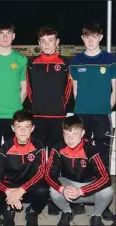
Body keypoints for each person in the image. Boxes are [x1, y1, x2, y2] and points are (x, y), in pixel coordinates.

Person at [69, 21, 115, 218]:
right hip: (81, 116)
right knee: (79, 157)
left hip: (102, 116)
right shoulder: (76, 61)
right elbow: (75, 91)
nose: (90, 40)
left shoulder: (110, 59)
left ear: (101, 38)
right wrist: (81, 111)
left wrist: (106, 108)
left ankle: (103, 204)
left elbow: (115, 89)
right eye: (87, 37)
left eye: (94, 36)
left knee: (102, 158)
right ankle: (78, 198)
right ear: (82, 39)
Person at [26, 25, 72, 216]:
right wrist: (35, 107)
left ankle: (55, 199)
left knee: (55, 161)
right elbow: (29, 90)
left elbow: (68, 91)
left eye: (50, 40)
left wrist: (60, 108)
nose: (46, 44)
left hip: (57, 118)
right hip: (37, 118)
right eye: (43, 41)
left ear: (57, 42)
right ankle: (38, 196)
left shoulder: (64, 64)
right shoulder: (32, 64)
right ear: (39, 43)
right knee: (37, 160)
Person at [46, 115, 113, 226]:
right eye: (66, 134)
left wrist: (81, 191)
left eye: (74, 134)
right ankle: (67, 212)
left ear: (82, 133)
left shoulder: (91, 149)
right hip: (69, 187)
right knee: (53, 190)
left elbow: (105, 177)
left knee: (108, 191)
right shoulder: (57, 148)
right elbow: (48, 174)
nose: (70, 139)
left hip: (89, 188)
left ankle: (96, 215)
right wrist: (62, 189)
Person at [0, 109, 49, 226]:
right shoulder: (5, 148)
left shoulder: (38, 145)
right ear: (13, 128)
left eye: (27, 126)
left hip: (29, 188)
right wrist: (7, 191)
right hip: (10, 188)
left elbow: (41, 173)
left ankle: (32, 212)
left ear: (33, 128)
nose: (23, 131)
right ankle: (7, 211)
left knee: (45, 190)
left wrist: (22, 190)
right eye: (19, 127)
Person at [0, 23, 28, 178]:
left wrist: (15, 108)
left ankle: (14, 188)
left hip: (13, 117)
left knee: (14, 155)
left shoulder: (21, 59)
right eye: (1, 33)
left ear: (14, 36)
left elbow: (24, 88)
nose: (5, 36)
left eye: (8, 33)